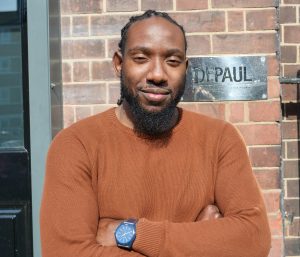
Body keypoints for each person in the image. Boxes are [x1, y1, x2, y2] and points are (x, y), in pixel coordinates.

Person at [40, 10, 271, 257]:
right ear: (119, 64)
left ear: (186, 68)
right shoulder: (76, 145)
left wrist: (131, 233)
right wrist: (199, 241)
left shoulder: (220, 139)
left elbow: (254, 239)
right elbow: (66, 252)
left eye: (172, 61)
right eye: (141, 58)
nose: (158, 75)